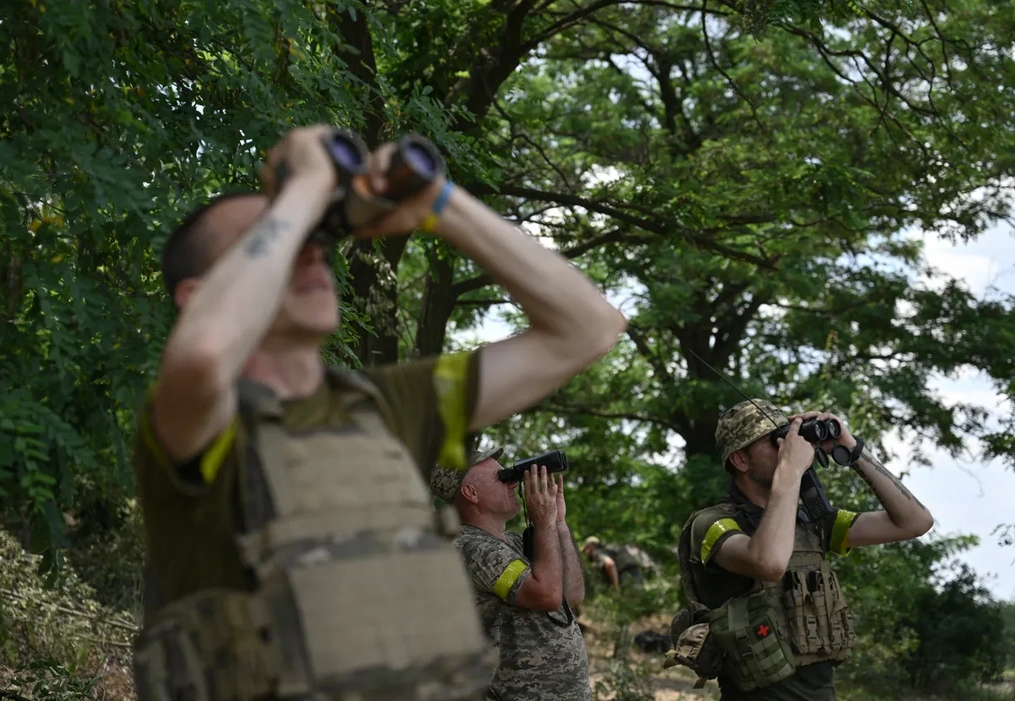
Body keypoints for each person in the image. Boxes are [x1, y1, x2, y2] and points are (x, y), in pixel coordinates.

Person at [128, 125, 627, 701]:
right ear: (198, 298)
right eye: (272, 236)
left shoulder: (383, 405)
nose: (307, 244)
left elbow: (590, 327)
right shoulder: (198, 423)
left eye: (311, 234)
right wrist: (310, 183)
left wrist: (437, 202)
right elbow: (206, 352)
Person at [672, 399, 934, 700]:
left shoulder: (813, 524)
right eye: (774, 441)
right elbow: (769, 562)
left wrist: (851, 449)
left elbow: (915, 522)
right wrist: (790, 473)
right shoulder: (712, 524)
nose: (788, 446)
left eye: (789, 435)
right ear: (741, 460)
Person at [430, 447, 591, 701]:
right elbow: (547, 595)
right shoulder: (470, 549)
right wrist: (544, 524)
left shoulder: (514, 544)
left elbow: (571, 595)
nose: (514, 481)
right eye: (502, 477)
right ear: (470, 493)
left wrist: (558, 524)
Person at [582, 536, 657, 592]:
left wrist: (615, 586)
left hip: (626, 576)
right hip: (636, 572)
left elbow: (610, 564)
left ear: (592, 546)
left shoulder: (597, 552)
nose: (586, 552)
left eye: (586, 548)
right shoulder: (612, 547)